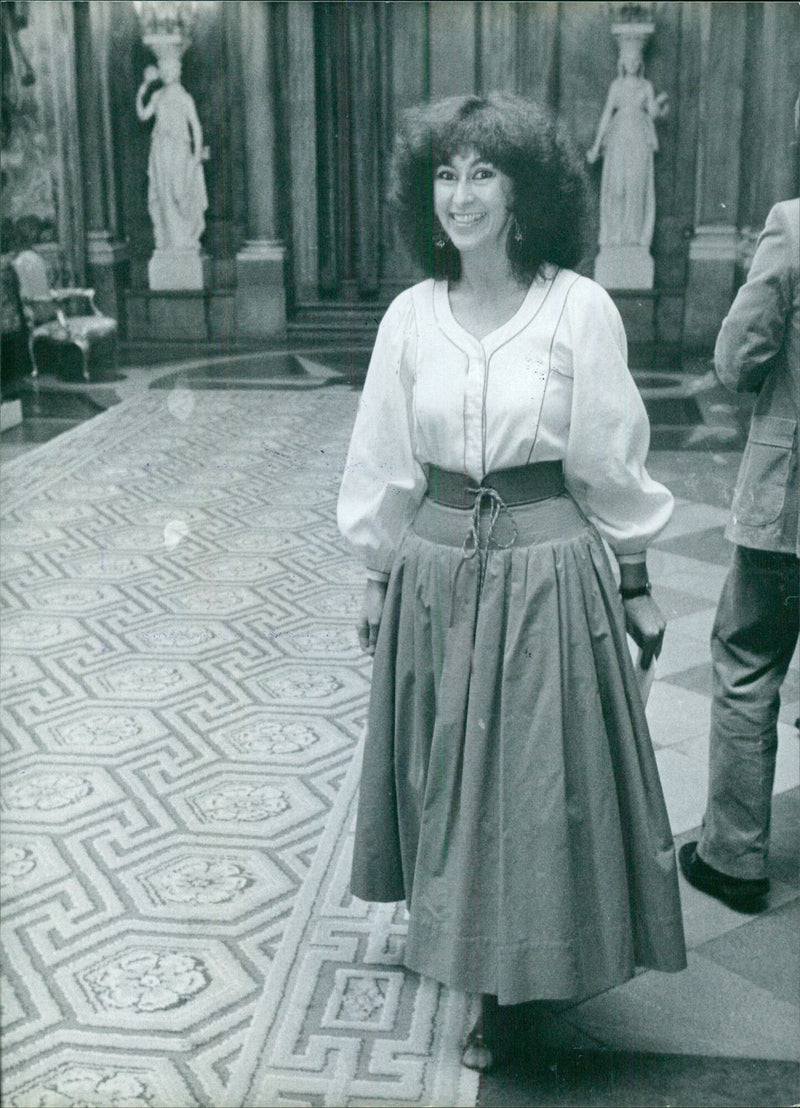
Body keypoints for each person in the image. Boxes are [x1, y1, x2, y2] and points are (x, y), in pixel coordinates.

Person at [337, 92, 686, 1072]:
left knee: (525, 792)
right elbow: (382, 457)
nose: (459, 193)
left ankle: (501, 982)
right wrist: (374, 573)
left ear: (523, 189)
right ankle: (462, 951)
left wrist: (632, 577)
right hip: (436, 571)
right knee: (445, 778)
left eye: (481, 171)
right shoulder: (410, 317)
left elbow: (608, 458)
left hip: (545, 573)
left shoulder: (576, 306)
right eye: (444, 173)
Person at [679, 94, 800, 916]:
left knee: (748, 659)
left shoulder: (793, 224)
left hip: (789, 507)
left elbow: (737, 355)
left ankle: (734, 858)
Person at [586, 36, 668, 251]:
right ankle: (615, 236)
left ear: (640, 63)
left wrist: (660, 106)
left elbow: (652, 111)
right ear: (622, 63)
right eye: (628, 60)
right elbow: (606, 114)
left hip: (640, 137)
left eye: (635, 60)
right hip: (618, 137)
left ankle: (634, 237)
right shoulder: (616, 86)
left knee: (636, 185)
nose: (632, 64)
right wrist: (596, 146)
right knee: (617, 186)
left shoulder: (646, 86)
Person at [135, 55, 207, 252]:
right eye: (164, 71)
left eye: (170, 70)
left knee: (180, 191)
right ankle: (169, 240)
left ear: (177, 72)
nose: (167, 74)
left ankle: (185, 237)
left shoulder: (184, 98)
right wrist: (142, 91)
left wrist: (196, 155)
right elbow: (143, 115)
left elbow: (196, 127)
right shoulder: (157, 96)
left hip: (180, 148)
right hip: (160, 148)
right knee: (163, 191)